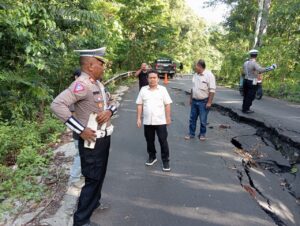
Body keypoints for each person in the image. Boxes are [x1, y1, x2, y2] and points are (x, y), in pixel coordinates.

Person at [51, 47, 117, 226]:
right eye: (101, 64)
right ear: (90, 65)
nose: (104, 67)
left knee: (100, 175)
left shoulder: (98, 84)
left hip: (103, 138)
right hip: (91, 141)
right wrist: (80, 130)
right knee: (92, 178)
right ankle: (81, 220)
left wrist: (110, 111)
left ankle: (93, 203)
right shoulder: (82, 84)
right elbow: (57, 105)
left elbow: (112, 103)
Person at [136, 70, 172, 171]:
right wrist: (138, 118)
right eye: (150, 78)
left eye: (154, 78)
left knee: (163, 141)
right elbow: (139, 104)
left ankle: (166, 161)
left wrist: (168, 118)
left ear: (158, 79)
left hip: (160, 121)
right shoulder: (143, 90)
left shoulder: (163, 90)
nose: (152, 80)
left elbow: (168, 104)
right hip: (147, 121)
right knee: (149, 140)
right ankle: (152, 157)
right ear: (147, 79)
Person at [185, 59, 216, 141]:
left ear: (200, 66)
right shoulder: (195, 75)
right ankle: (191, 133)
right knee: (192, 119)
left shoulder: (209, 75)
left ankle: (202, 134)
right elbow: (193, 88)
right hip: (195, 101)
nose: (195, 68)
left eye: (196, 66)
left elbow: (212, 90)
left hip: (204, 101)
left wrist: (209, 102)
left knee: (203, 120)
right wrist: (191, 98)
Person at [242, 49, 277, 113]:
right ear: (256, 55)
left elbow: (244, 71)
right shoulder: (254, 63)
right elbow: (260, 70)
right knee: (251, 96)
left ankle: (244, 108)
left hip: (246, 80)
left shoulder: (245, 63)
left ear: (250, 55)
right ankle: (246, 109)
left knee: (246, 95)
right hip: (253, 81)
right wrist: (271, 67)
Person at [69, 69, 83, 188]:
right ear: (75, 77)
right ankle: (74, 179)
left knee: (84, 153)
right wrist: (80, 130)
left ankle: (81, 175)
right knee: (79, 154)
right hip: (79, 130)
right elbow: (73, 115)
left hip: (86, 129)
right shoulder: (74, 92)